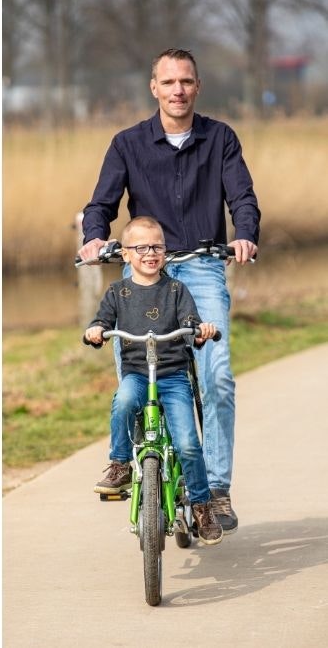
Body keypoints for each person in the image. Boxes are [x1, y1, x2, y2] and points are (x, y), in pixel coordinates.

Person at [77, 48, 260, 534]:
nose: (178, 90)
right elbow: (100, 204)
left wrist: (244, 234)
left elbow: (242, 196)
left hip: (201, 268)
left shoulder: (220, 138)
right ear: (153, 88)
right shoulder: (127, 143)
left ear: (197, 87)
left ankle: (216, 488)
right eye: (169, 82)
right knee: (132, 377)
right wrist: (94, 238)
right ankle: (140, 463)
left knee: (216, 377)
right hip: (143, 270)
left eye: (186, 81)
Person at [84, 216, 223, 545]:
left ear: (165, 250)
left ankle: (202, 506)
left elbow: (190, 320)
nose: (150, 253)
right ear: (126, 254)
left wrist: (200, 330)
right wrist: (96, 331)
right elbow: (102, 320)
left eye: (157, 247)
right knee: (123, 403)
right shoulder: (118, 292)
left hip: (173, 376)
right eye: (141, 247)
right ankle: (120, 465)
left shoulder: (176, 289)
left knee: (188, 443)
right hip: (137, 374)